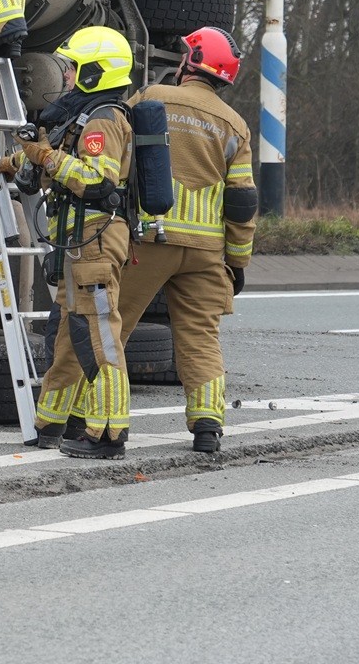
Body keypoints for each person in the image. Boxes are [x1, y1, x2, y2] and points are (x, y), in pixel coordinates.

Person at [114, 26, 258, 453]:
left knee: (112, 327)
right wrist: (238, 262)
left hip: (147, 241)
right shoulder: (235, 125)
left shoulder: (149, 97)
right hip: (206, 253)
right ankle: (208, 425)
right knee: (200, 337)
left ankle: (107, 422)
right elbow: (242, 201)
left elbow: (115, 158)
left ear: (190, 61)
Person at [5, 25, 135, 458]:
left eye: (75, 69)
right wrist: (16, 160)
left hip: (94, 239)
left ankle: (109, 433)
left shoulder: (104, 119)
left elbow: (96, 180)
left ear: (97, 73)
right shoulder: (81, 117)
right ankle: (52, 424)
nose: (66, 77)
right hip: (75, 242)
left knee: (97, 334)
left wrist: (46, 157)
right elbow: (50, 163)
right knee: (65, 334)